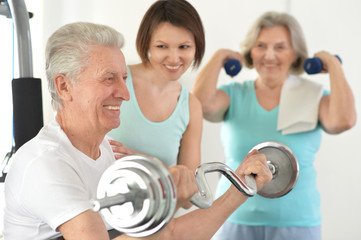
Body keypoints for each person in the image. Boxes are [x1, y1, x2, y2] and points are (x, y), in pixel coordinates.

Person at [3, 21, 273, 240]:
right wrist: (165, 204)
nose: (124, 94)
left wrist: (241, 188)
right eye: (109, 79)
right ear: (64, 87)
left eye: (124, 78)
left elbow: (175, 234)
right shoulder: (46, 163)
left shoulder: (109, 151)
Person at [193, 11, 356, 240]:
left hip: (297, 223)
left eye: (280, 47)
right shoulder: (235, 95)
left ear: (295, 54)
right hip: (233, 219)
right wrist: (219, 57)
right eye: (261, 46)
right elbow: (199, 105)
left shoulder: (313, 96)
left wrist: (332, 65)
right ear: (250, 51)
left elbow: (344, 120)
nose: (269, 56)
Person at [108, 0, 204, 172]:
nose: (174, 58)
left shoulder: (191, 106)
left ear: (197, 47)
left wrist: (149, 162)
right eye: (162, 46)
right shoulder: (116, 79)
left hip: (158, 199)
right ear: (147, 44)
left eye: (184, 47)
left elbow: (190, 187)